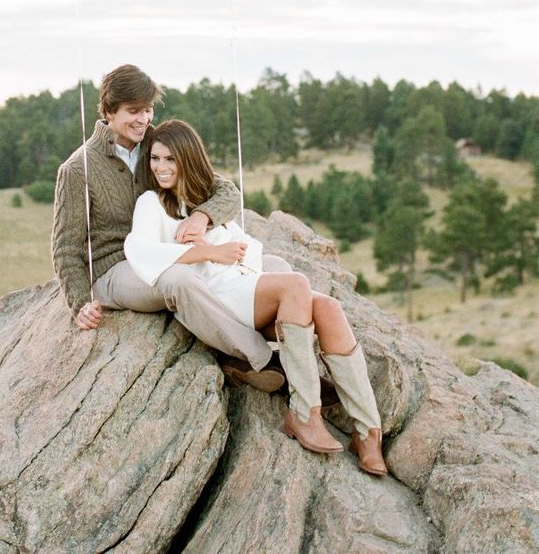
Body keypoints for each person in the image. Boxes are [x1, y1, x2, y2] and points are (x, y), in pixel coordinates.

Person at [124, 119, 387, 476]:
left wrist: (213, 234)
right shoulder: (151, 203)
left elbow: (245, 245)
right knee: (295, 284)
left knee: (328, 307)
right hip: (220, 296)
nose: (161, 168)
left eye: (170, 159)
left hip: (245, 284)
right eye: (155, 159)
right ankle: (304, 413)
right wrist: (208, 254)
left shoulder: (208, 202)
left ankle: (368, 433)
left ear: (188, 158)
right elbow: (140, 251)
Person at [51, 64, 293, 392]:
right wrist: (79, 302)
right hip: (117, 269)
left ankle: (294, 348)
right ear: (108, 111)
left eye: (148, 110)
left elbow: (226, 192)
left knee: (274, 267)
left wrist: (202, 217)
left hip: (175, 249)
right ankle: (260, 360)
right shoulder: (77, 169)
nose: (143, 119)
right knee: (180, 280)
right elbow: (65, 247)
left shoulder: (159, 144)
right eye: (133, 111)